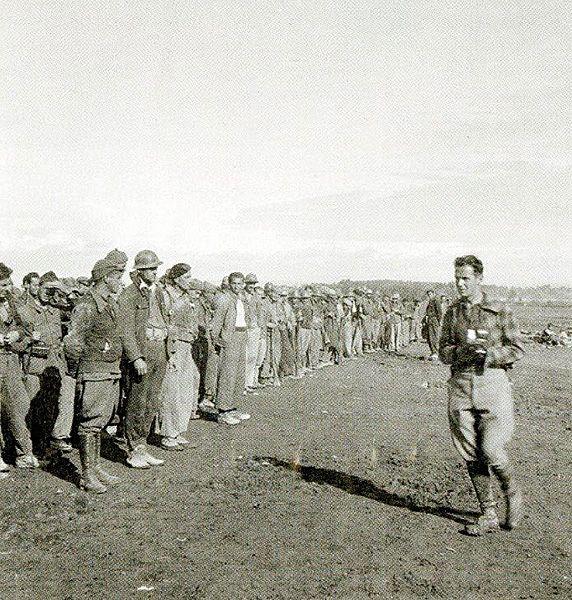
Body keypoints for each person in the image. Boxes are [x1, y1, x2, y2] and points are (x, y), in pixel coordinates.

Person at [439, 255, 525, 536]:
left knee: (490, 449)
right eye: (456, 278)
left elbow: (517, 349)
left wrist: (491, 355)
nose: (460, 284)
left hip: (492, 385)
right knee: (469, 451)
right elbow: (443, 351)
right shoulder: (452, 313)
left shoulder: (499, 310)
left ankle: (511, 492)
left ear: (479, 279)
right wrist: (458, 352)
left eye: (465, 278)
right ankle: (487, 512)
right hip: (461, 385)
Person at [63, 258, 125, 493]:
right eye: (118, 277)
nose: (120, 281)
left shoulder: (108, 303)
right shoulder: (88, 305)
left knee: (100, 422)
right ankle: (87, 476)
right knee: (90, 423)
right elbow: (72, 343)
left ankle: (96, 468)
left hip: (108, 369)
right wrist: (76, 371)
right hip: (93, 371)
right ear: (107, 277)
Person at [117, 250, 170, 468]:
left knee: (152, 402)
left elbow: (165, 319)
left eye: (156, 268)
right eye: (151, 269)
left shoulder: (157, 292)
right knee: (137, 402)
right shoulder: (129, 295)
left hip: (159, 351)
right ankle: (133, 450)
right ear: (139, 271)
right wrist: (136, 357)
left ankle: (142, 445)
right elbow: (125, 331)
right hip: (142, 354)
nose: (155, 272)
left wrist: (169, 351)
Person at [18, 272, 77, 455]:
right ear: (37, 287)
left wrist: (63, 291)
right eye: (45, 288)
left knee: (65, 394)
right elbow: (17, 338)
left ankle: (57, 437)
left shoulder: (55, 310)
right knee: (32, 408)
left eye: (51, 290)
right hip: (35, 366)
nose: (47, 293)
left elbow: (76, 308)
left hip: (56, 365)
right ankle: (29, 448)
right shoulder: (24, 310)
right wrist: (29, 340)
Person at [155, 264, 200, 451]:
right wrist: (170, 352)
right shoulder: (164, 295)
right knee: (171, 391)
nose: (189, 281)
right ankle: (167, 433)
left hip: (186, 346)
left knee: (185, 389)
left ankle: (178, 430)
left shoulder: (186, 296)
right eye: (186, 277)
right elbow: (165, 324)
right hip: (172, 346)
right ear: (176, 278)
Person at [0, 263, 38, 470]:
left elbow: (24, 328)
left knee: (20, 405)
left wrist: (17, 334)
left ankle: (24, 453)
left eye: (9, 284)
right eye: (3, 284)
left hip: (10, 359)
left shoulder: (10, 303)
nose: (8, 288)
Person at [210, 272, 251, 425]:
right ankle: (223, 411)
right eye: (234, 283)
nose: (237, 286)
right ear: (229, 283)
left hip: (241, 335)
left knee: (239, 374)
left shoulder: (240, 298)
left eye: (240, 283)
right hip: (230, 337)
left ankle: (232, 407)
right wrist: (216, 339)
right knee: (227, 374)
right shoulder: (224, 298)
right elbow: (217, 321)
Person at [243, 273, 263, 393]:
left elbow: (260, 312)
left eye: (253, 283)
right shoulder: (241, 295)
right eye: (250, 283)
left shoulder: (256, 296)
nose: (252, 285)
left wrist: (259, 326)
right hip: (244, 328)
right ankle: (243, 383)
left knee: (252, 356)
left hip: (254, 328)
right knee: (244, 356)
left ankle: (249, 382)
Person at [424, 290, 443, 360]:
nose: (429, 295)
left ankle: (435, 353)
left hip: (434, 320)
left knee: (433, 337)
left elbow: (439, 312)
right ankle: (433, 352)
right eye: (428, 294)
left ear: (433, 294)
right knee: (429, 337)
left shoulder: (436, 301)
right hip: (429, 321)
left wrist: (438, 321)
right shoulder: (430, 301)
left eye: (430, 294)